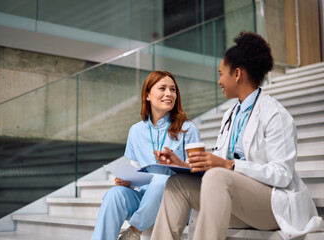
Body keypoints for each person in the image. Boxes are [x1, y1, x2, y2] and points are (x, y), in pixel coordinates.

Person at [151, 32, 324, 240]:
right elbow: (219, 163)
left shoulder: (275, 114)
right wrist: (183, 164)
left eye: (221, 73)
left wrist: (231, 166)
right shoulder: (230, 115)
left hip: (272, 205)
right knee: (177, 184)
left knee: (218, 176)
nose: (219, 81)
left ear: (237, 74)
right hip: (236, 200)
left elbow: (282, 175)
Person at [90, 71, 201, 240]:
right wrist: (127, 181)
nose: (169, 94)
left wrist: (177, 165)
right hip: (144, 201)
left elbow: (198, 172)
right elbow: (135, 170)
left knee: (161, 180)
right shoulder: (135, 130)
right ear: (148, 95)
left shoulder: (188, 129)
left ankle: (134, 231)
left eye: (173, 89)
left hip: (177, 204)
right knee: (115, 194)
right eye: (162, 88)